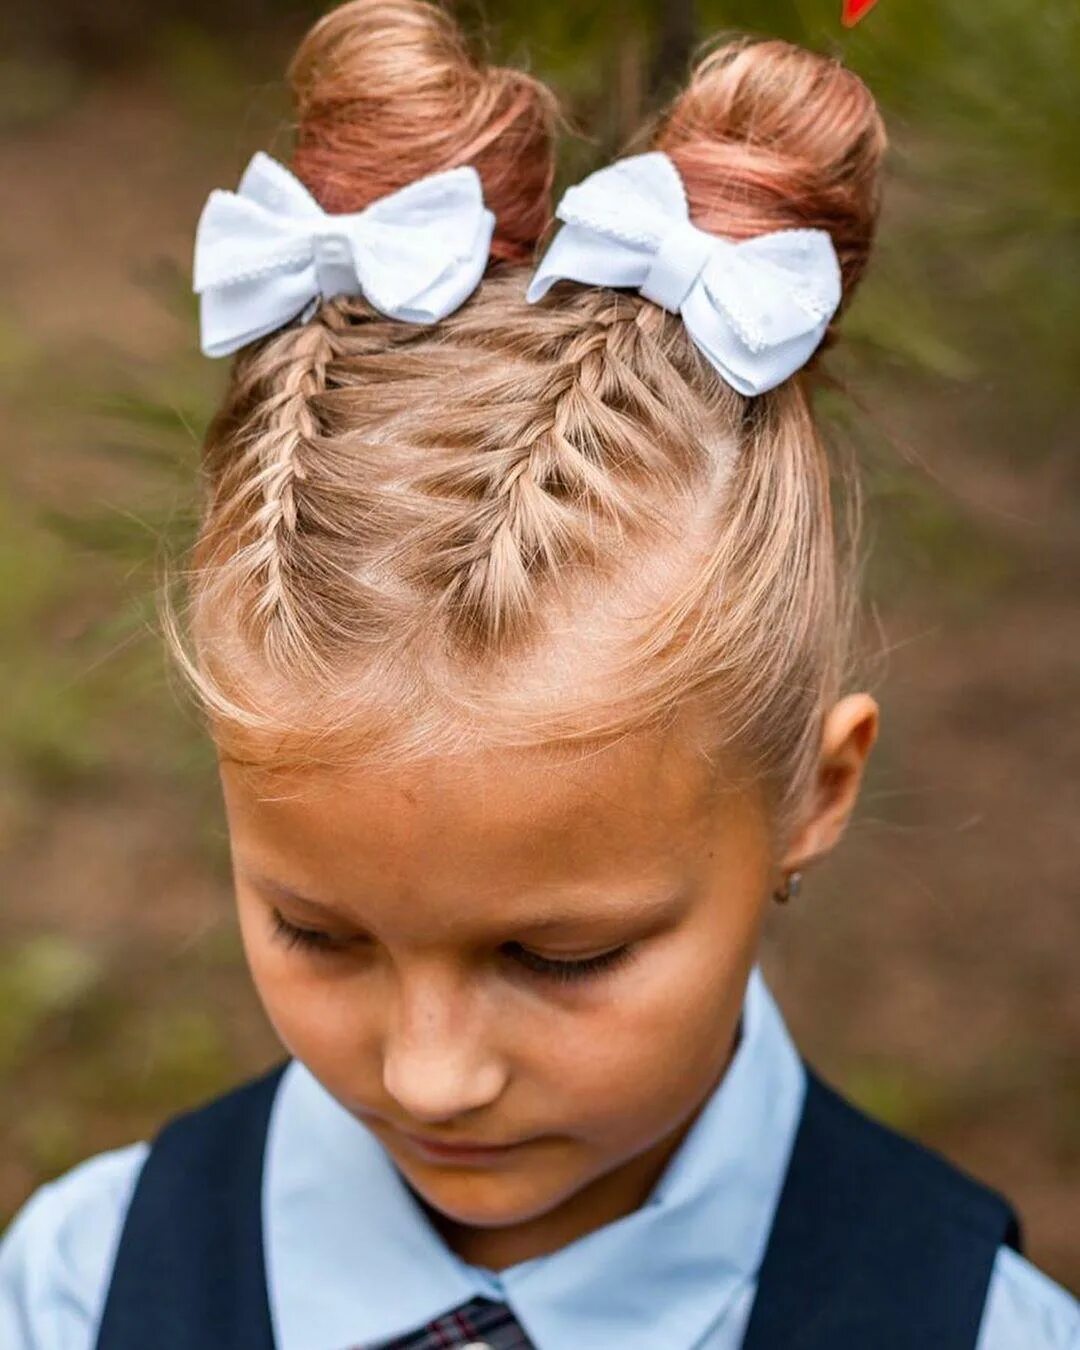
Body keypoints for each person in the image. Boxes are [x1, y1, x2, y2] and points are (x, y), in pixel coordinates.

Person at [1, 1, 1077, 1346]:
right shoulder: (77, 1290)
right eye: (319, 934)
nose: (431, 1073)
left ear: (815, 783)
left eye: (564, 956)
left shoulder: (977, 1328)